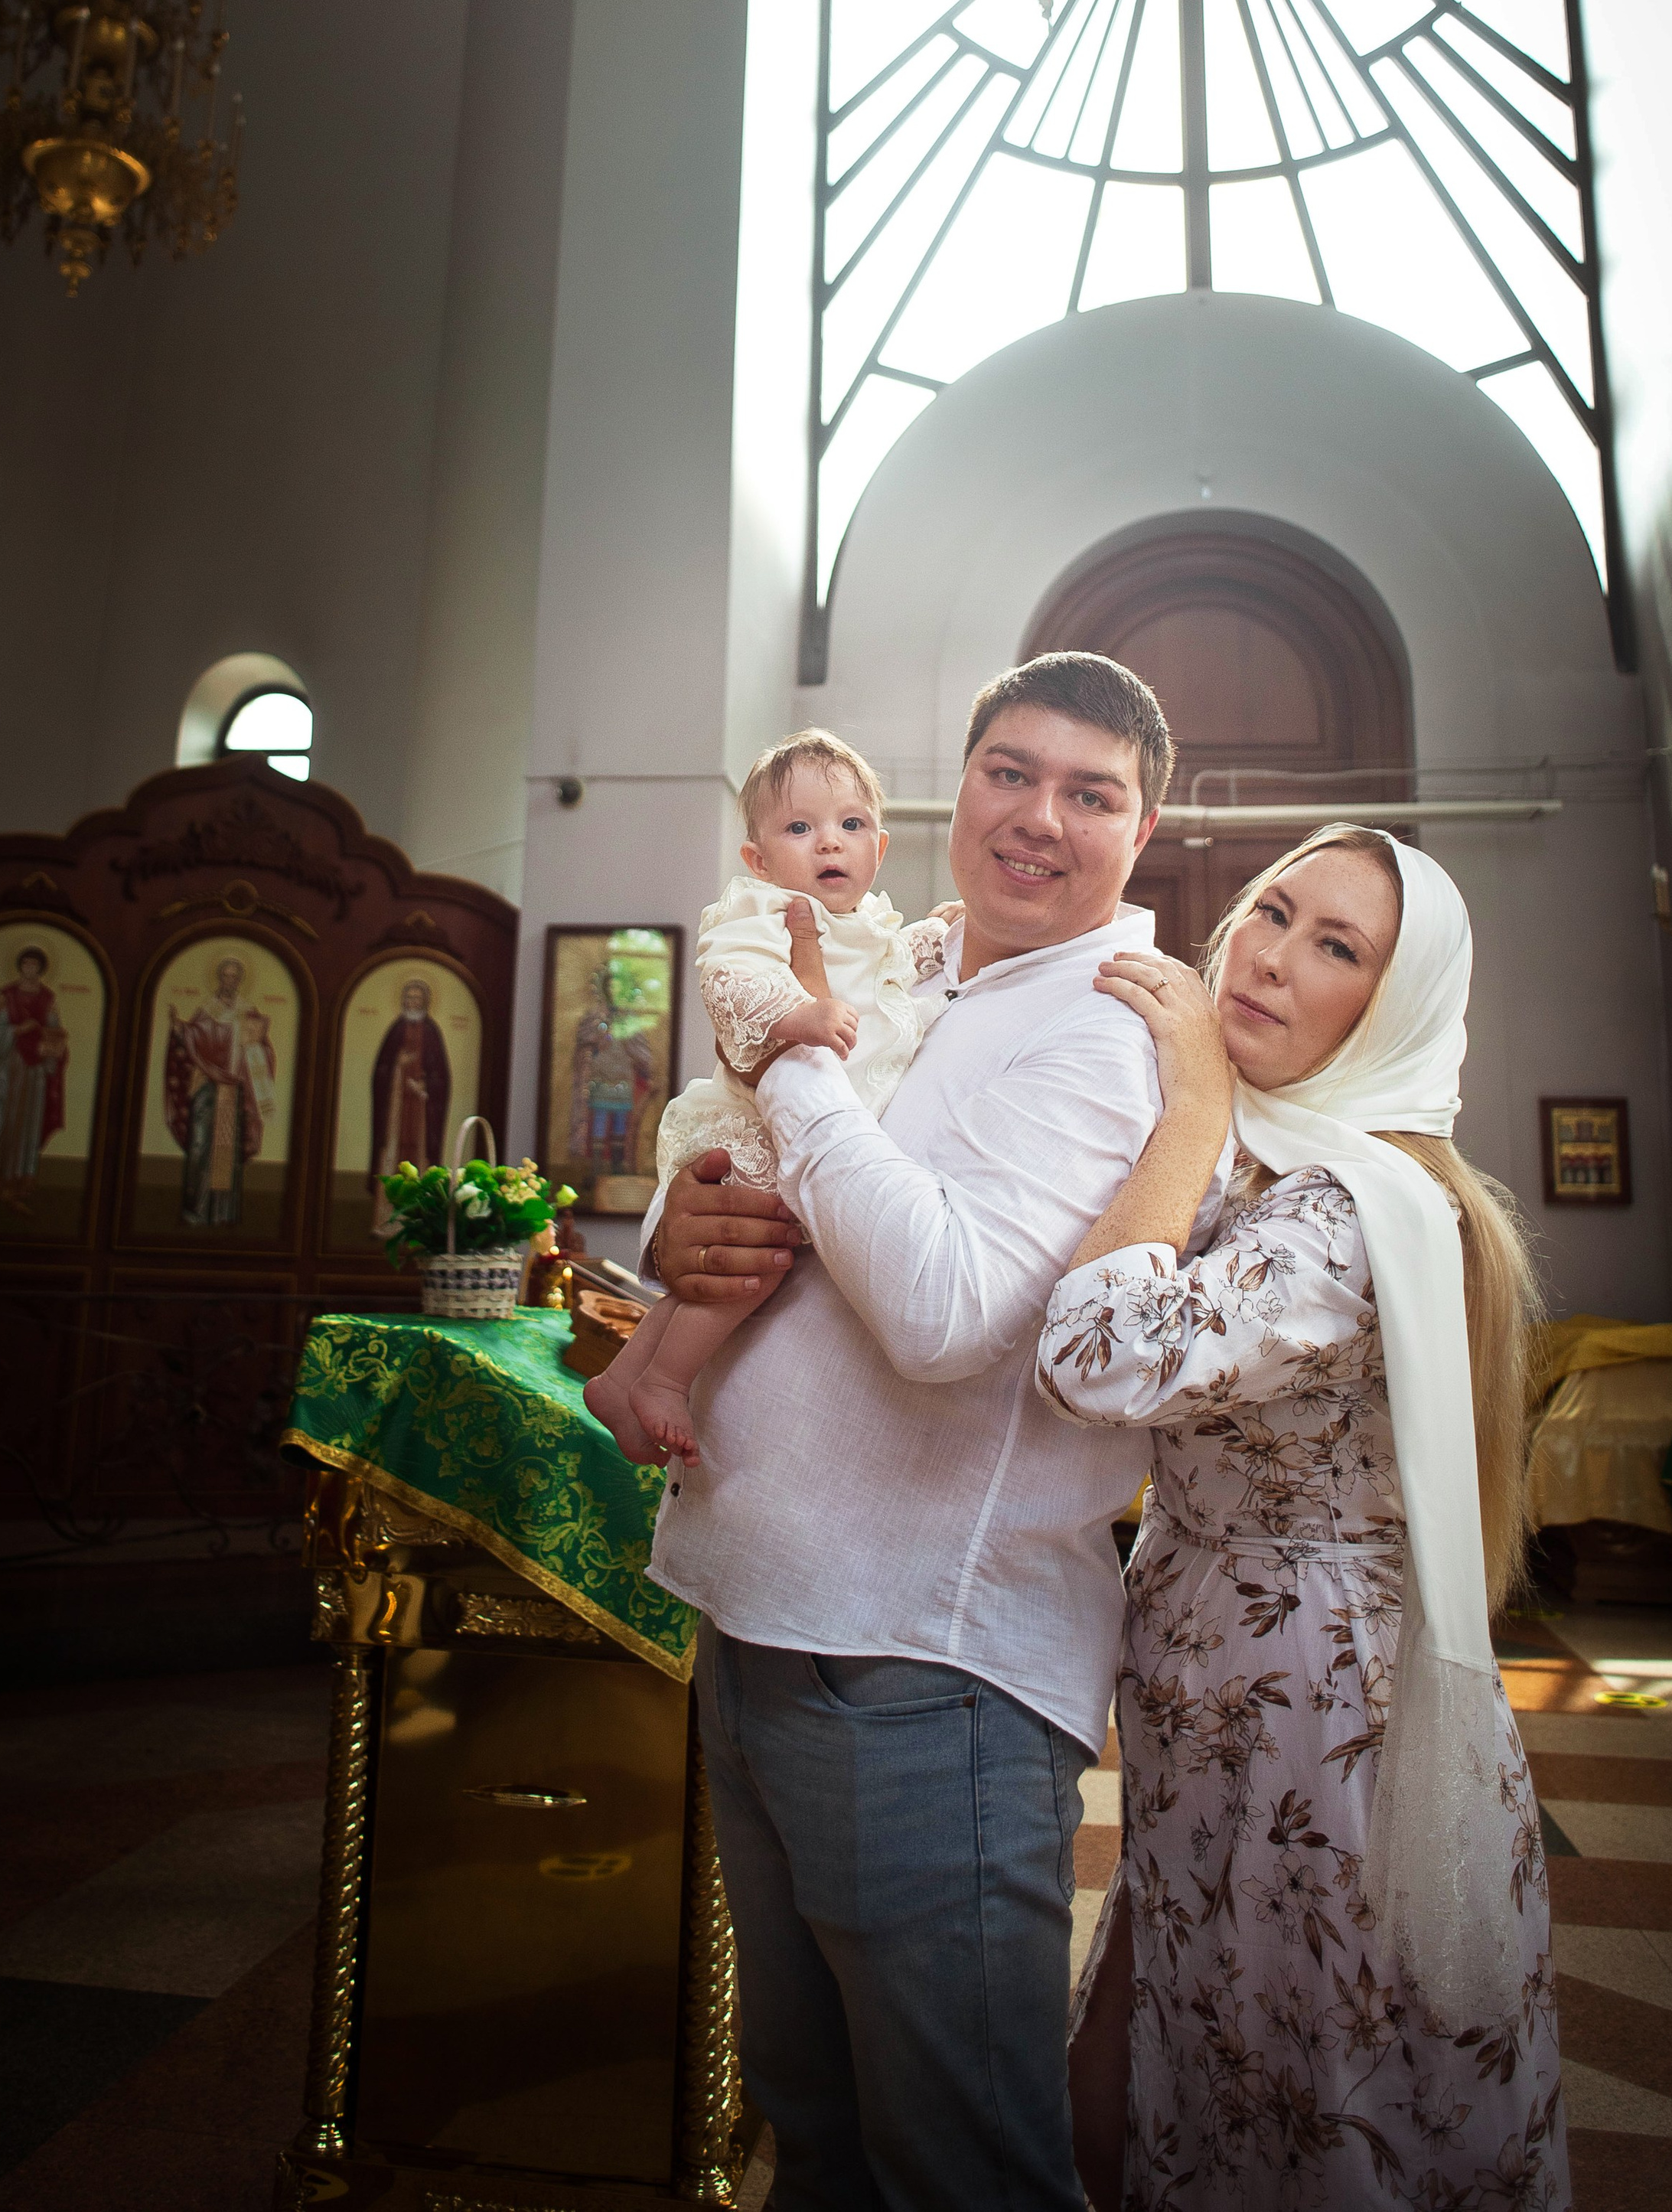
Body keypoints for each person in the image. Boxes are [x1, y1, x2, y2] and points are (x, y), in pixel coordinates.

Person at [639, 651, 1230, 2212]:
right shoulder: (901, 958)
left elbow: (943, 1311)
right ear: (955, 787)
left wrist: (790, 1056)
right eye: (1008, 774)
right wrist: (674, 1231)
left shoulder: (1110, 1030)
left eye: (1089, 794)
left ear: (1142, 828)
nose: (1037, 818)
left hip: (924, 1677)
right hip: (756, 1623)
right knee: (813, 2135)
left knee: (962, 2171)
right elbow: (763, 1171)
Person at [1039, 827, 1566, 2210]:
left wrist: (1191, 1106)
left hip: (1312, 1713)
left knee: (1307, 2077)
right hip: (1224, 1679)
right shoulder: (1279, 1162)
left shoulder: (1351, 1206)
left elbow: (1098, 1354)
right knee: (1187, 2036)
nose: (1271, 957)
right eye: (1273, 911)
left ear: (1393, 1011)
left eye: (1337, 947)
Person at [586, 726, 953, 1469]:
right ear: (758, 860)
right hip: (755, 1128)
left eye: (851, 824)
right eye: (800, 827)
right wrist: (798, 1014)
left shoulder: (866, 925)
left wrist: (936, 932)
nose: (830, 842)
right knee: (749, 1268)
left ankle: (622, 1378)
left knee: (721, 1273)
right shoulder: (762, 911)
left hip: (800, 1131)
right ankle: (665, 1380)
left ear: (879, 849)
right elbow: (729, 980)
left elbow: (891, 967)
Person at [164, 954, 276, 1229]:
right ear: (219, 978)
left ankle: (222, 1213)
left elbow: (264, 1050)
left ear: (240, 981)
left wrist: (256, 1044)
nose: (230, 981)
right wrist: (181, 1029)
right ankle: (197, 1210)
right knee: (200, 1146)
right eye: (225, 976)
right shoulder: (208, 1010)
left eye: (234, 977)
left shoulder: (248, 1011)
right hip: (207, 1086)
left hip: (233, 1090)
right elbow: (195, 1037)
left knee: (228, 1150)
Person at [0, 944, 68, 1213]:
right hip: (4, 1069)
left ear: (41, 969)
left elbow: (55, 1033)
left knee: (26, 1129)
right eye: (26, 964)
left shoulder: (48, 998)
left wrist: (52, 1050)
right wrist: (18, 1029)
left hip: (33, 1074)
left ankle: (14, 1190)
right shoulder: (5, 996)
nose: (30, 969)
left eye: (35, 965)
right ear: (20, 966)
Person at [370, 976, 451, 1225]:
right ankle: (388, 1218)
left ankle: (420, 1218)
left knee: (421, 1152)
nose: (412, 1002)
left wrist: (426, 1087)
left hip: (422, 1109)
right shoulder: (396, 1030)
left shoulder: (432, 1031)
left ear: (425, 1001)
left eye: (417, 998)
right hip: (396, 1106)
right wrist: (398, 1066)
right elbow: (381, 1070)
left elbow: (442, 1075)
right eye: (408, 997)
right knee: (392, 1152)